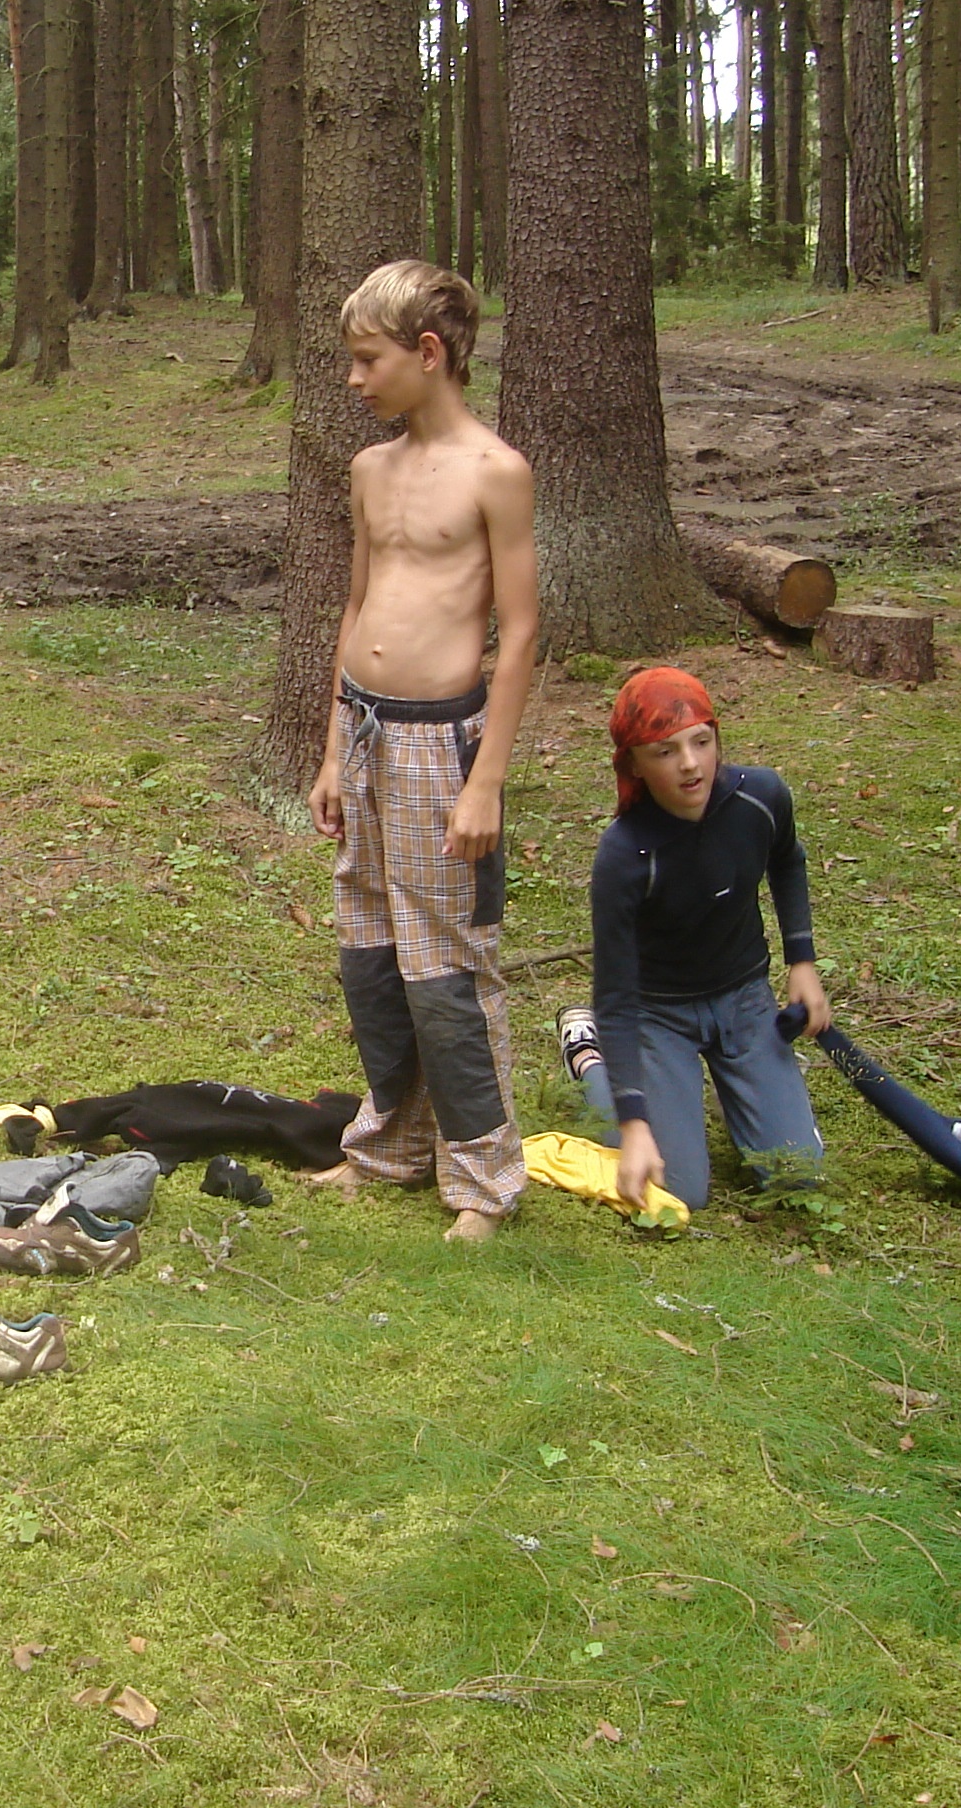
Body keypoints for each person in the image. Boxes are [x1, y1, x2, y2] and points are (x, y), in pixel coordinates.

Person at [302, 260, 541, 1242]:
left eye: (369, 359)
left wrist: (485, 781)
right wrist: (330, 751)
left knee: (445, 968)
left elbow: (519, 634)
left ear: (428, 352)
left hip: (442, 748)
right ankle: (390, 1147)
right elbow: (356, 606)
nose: (354, 378)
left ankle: (481, 1181)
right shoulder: (370, 469)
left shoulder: (495, 473)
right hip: (362, 733)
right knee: (369, 953)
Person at [570, 667, 831, 1213]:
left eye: (701, 742)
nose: (690, 764)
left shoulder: (761, 796)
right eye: (664, 752)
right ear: (634, 764)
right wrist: (634, 1124)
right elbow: (616, 995)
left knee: (796, 1175)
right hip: (658, 1016)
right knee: (678, 1191)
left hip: (744, 1000)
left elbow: (787, 859)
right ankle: (590, 1059)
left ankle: (733, 1090)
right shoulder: (625, 854)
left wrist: (802, 962)